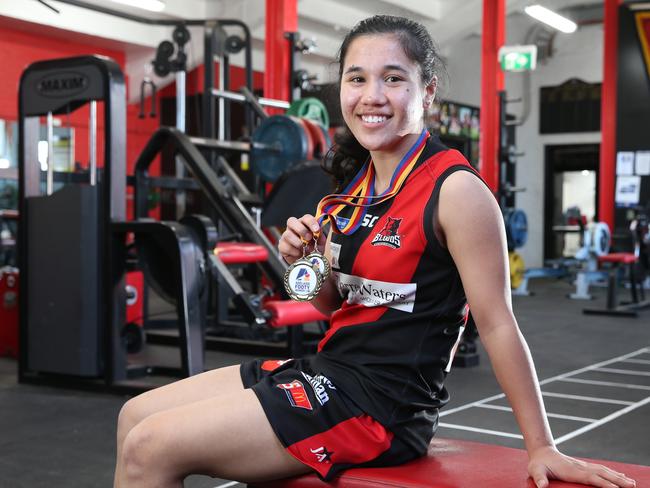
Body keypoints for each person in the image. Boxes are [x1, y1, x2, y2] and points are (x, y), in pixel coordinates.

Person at [113, 15, 637, 488]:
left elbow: (498, 323)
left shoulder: (455, 191)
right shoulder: (348, 193)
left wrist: (542, 446)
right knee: (133, 417)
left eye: (393, 78)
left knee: (150, 448)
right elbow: (328, 306)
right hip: (330, 370)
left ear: (426, 92)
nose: (372, 95)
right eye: (357, 78)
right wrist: (305, 262)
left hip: (381, 406)